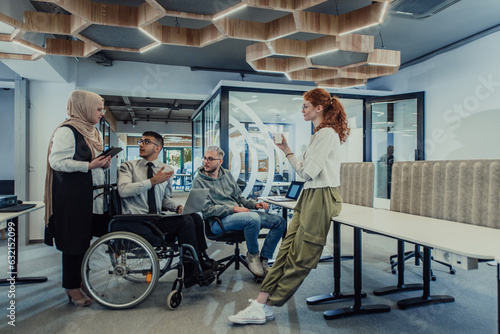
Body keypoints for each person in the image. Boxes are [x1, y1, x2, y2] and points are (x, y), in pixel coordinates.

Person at [228, 88, 350, 324]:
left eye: (305, 106)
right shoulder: (319, 134)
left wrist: (290, 153)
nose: (302, 110)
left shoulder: (326, 135)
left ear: (319, 108)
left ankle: (268, 305)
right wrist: (286, 150)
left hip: (321, 197)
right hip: (311, 195)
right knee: (285, 252)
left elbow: (306, 172)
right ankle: (262, 303)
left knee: (302, 256)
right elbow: (306, 171)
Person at [117, 131, 217, 288]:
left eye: (146, 142)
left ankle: (202, 258)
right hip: (135, 221)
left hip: (155, 220)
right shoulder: (128, 167)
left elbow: (165, 200)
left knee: (194, 217)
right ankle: (191, 272)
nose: (141, 144)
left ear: (157, 148)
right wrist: (152, 181)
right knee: (185, 222)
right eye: (141, 141)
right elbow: (123, 190)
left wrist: (177, 207)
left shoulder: (167, 169)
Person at [44, 90, 112, 307]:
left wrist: (103, 163)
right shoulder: (67, 130)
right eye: (98, 109)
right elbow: (56, 162)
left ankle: (80, 279)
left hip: (89, 195)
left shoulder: (93, 131)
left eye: (102, 109)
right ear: (84, 108)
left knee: (83, 241)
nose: (101, 113)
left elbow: (92, 161)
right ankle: (71, 287)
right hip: (71, 197)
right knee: (73, 243)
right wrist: (89, 165)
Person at [192, 146, 286, 277]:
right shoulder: (198, 181)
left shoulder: (227, 175)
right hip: (218, 222)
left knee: (279, 222)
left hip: (238, 216)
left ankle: (264, 259)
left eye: (210, 159)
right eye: (205, 158)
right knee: (252, 219)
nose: (205, 162)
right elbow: (206, 210)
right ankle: (252, 255)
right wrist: (234, 208)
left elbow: (239, 197)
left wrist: (255, 204)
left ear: (220, 161)